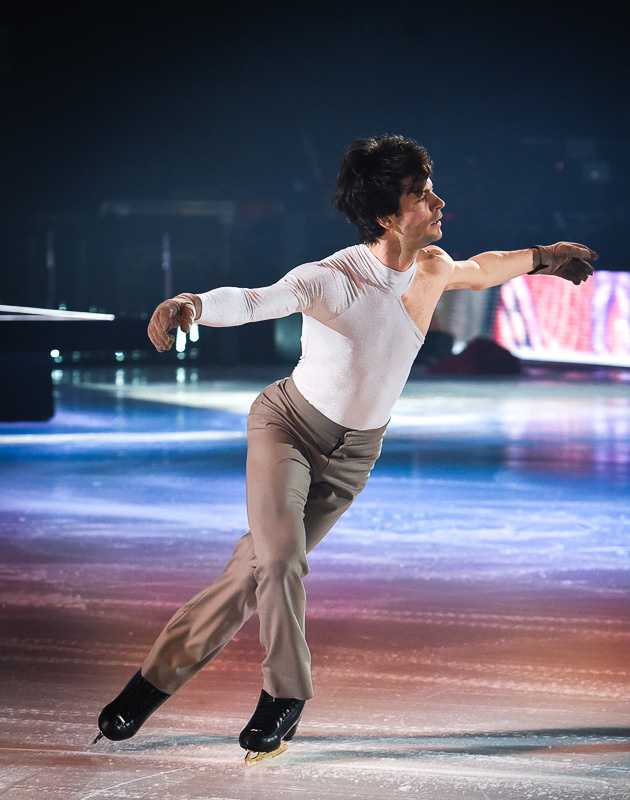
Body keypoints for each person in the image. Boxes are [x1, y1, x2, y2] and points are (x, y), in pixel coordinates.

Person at [95, 134, 596, 762]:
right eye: (421, 194)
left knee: (251, 576)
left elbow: (485, 267)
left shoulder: (433, 268)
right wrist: (191, 303)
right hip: (286, 429)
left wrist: (546, 257)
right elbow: (255, 300)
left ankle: (148, 685)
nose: (438, 202)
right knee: (281, 562)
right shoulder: (333, 279)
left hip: (352, 459)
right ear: (386, 215)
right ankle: (285, 694)